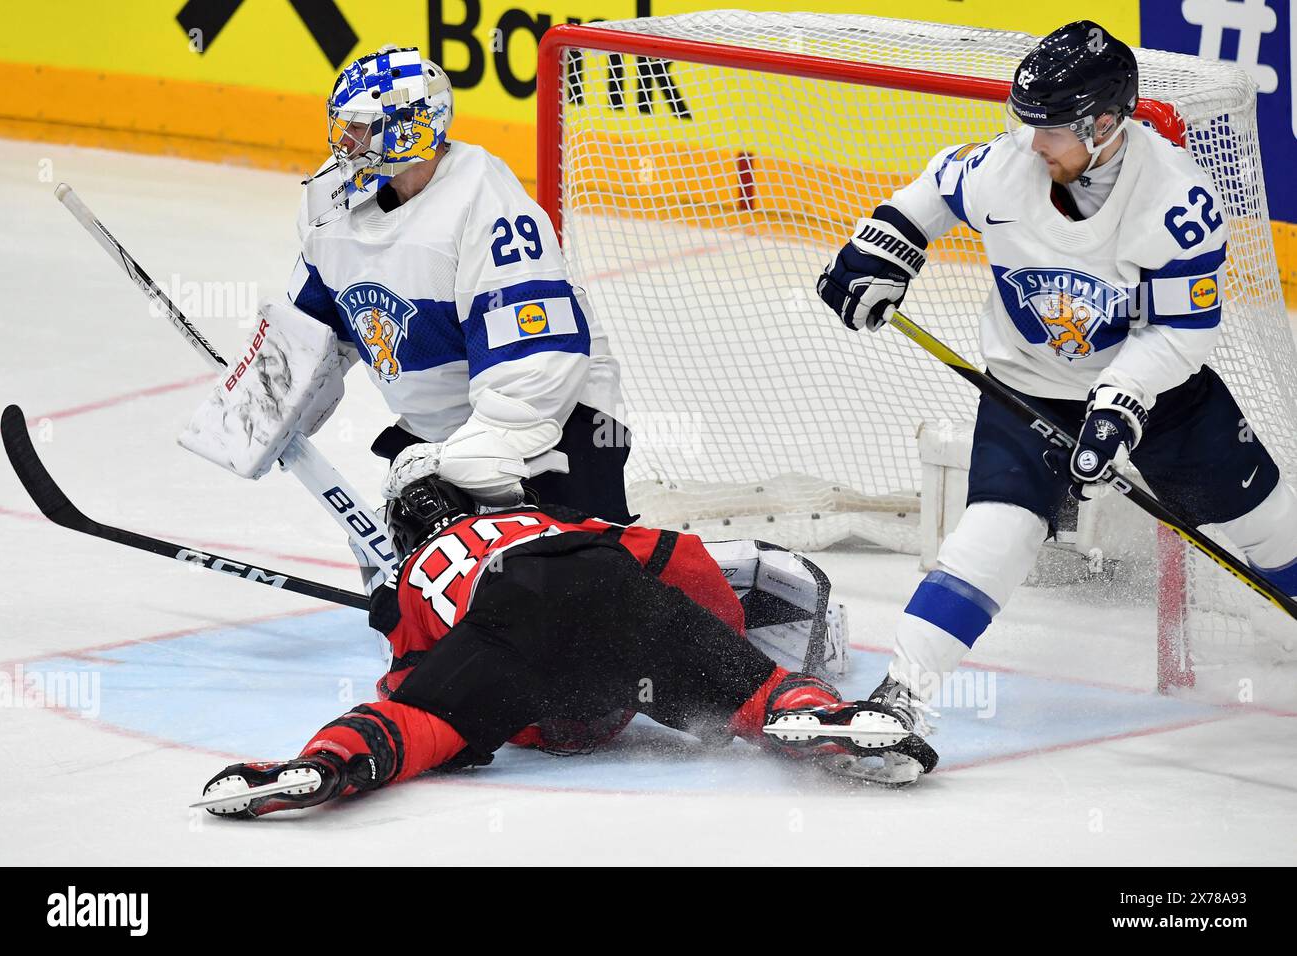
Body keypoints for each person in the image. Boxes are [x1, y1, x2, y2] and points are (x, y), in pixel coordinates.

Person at [816, 21, 1297, 744]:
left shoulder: (1174, 201)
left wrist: (1121, 401)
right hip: (1029, 384)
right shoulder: (1008, 166)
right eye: (1027, 124)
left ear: (1105, 125)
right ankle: (900, 697)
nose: (1031, 142)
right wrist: (884, 244)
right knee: (996, 533)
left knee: (1265, 522)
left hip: (1159, 398)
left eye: (1050, 130)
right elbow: (935, 190)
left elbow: (1185, 330)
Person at [196, 478, 937, 817]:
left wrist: (488, 718)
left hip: (514, 632)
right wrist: (716, 644)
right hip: (607, 588)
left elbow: (409, 681)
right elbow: (668, 555)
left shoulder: (410, 583)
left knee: (418, 723)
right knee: (749, 695)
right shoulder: (542, 517)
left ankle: (327, 764)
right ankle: (813, 717)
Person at [286, 44, 631, 526]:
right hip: (440, 436)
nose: (344, 143)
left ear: (409, 129)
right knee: (409, 597)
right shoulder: (331, 202)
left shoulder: (487, 204)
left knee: (563, 584)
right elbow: (311, 332)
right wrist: (273, 399)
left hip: (556, 424)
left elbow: (535, 366)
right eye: (342, 126)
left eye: (360, 127)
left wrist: (465, 457)